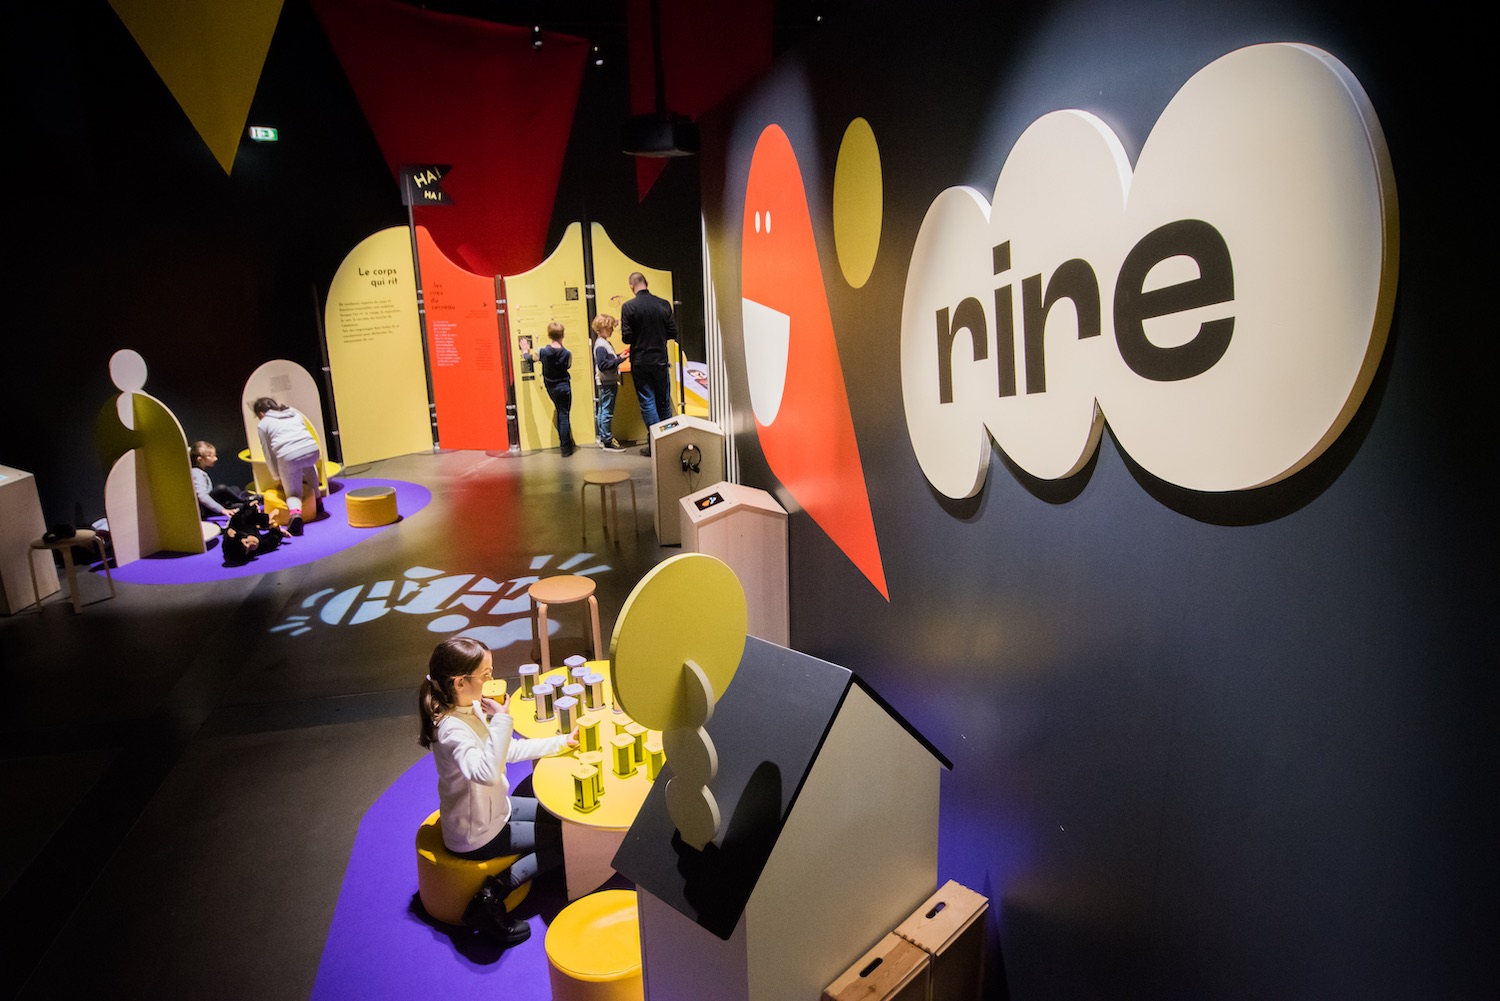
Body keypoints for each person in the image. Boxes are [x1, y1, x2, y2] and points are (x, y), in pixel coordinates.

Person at [417, 637, 578, 946]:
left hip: (495, 811)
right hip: (477, 832)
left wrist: (561, 743)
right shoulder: (451, 731)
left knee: (561, 818)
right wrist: (503, 719)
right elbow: (487, 773)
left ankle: (502, 885)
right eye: (486, 674)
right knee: (568, 840)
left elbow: (507, 750)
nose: (493, 679)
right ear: (461, 682)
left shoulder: (469, 708)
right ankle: (491, 896)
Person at [619, 272, 678, 455]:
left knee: (648, 403)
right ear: (647, 282)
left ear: (631, 286)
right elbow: (672, 333)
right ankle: (667, 445)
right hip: (660, 359)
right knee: (664, 403)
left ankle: (655, 446)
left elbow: (626, 337)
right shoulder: (663, 304)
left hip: (641, 361)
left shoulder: (628, 307)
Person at [252, 398, 322, 535]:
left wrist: (276, 476)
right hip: (312, 450)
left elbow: (268, 454)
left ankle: (296, 515)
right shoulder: (293, 412)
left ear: (260, 413)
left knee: (293, 493)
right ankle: (318, 502)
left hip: (289, 456)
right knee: (308, 465)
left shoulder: (264, 424)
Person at [524, 322, 577, 456]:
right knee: (564, 414)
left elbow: (530, 359)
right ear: (563, 335)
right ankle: (565, 448)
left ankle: (565, 442)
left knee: (560, 412)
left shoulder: (542, 351)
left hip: (551, 387)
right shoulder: (567, 353)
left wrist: (525, 351)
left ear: (549, 335)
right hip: (564, 387)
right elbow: (568, 366)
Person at [591, 313, 627, 451]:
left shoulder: (602, 344)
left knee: (602, 409)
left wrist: (618, 357)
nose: (612, 330)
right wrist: (619, 360)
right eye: (610, 328)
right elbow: (603, 365)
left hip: (604, 381)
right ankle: (607, 440)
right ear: (603, 328)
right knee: (607, 410)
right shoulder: (601, 345)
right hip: (607, 382)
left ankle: (602, 437)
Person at [220, 496, 289, 567]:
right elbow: (271, 541)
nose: (252, 544)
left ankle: (264, 517)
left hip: (246, 518)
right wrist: (277, 530)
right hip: (253, 527)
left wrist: (249, 506)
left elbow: (244, 514)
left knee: (251, 513)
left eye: (246, 542)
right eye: (249, 549)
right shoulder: (255, 549)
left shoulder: (239, 524)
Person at [188, 440, 249, 518]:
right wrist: (222, 510)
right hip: (205, 509)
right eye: (210, 456)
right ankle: (244, 502)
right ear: (200, 459)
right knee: (221, 489)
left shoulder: (199, 472)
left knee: (234, 489)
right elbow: (202, 496)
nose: (215, 458)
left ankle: (234, 503)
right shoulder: (196, 473)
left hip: (210, 503)